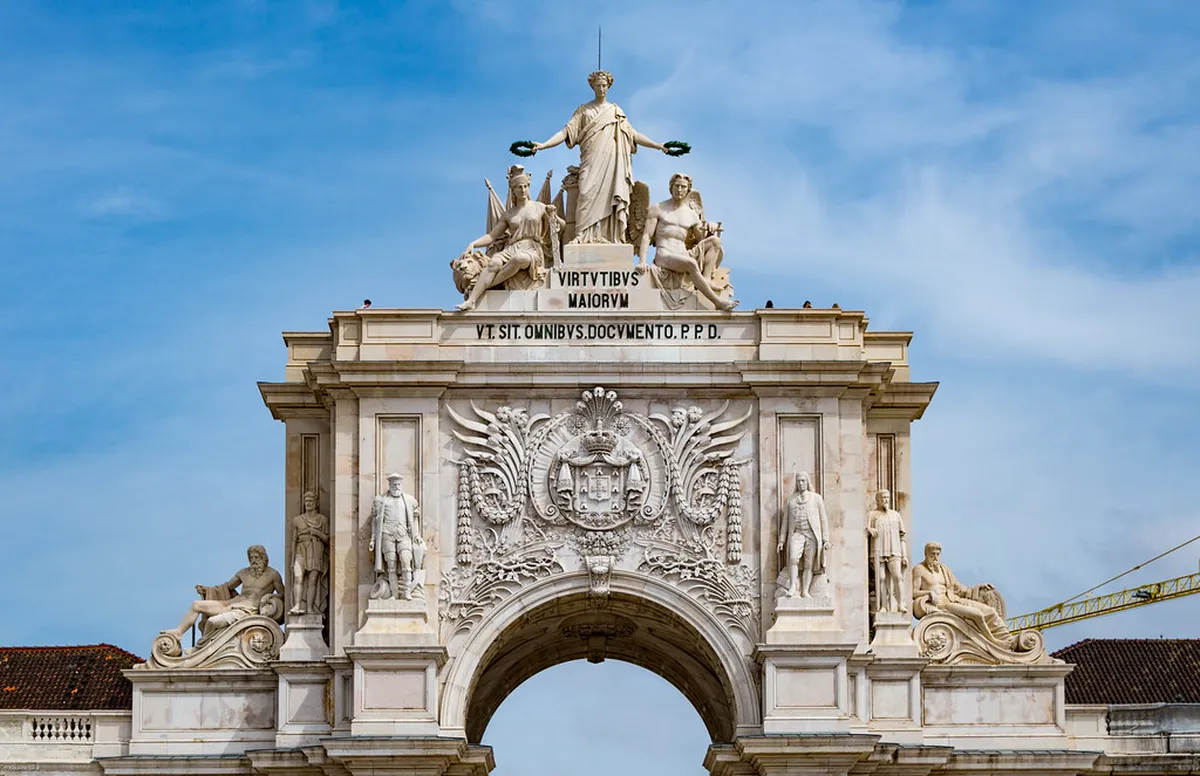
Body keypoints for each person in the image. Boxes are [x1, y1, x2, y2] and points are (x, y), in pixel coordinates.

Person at [531, 70, 670, 244]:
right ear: (592, 86)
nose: (602, 89)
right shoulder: (584, 111)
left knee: (612, 195)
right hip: (591, 160)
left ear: (609, 86)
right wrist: (543, 145)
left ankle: (611, 237)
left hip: (612, 162)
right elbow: (566, 132)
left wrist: (657, 145)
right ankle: (582, 235)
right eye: (598, 86)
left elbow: (633, 134)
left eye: (604, 85)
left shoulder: (616, 111)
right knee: (586, 194)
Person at [455, 166, 563, 311]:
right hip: (512, 247)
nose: (523, 190)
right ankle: (472, 300)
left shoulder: (539, 207)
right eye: (519, 187)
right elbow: (492, 236)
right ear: (513, 190)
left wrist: (553, 215)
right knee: (493, 263)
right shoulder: (508, 214)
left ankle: (484, 285)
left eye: (525, 186)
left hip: (532, 248)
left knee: (519, 259)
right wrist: (473, 243)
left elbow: (561, 225)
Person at [637, 173, 736, 310]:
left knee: (715, 241)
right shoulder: (658, 208)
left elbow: (702, 240)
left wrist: (710, 228)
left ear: (688, 189)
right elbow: (647, 236)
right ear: (671, 187)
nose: (679, 190)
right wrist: (642, 261)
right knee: (691, 263)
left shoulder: (691, 214)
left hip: (683, 254)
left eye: (683, 187)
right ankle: (717, 302)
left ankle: (706, 278)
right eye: (677, 186)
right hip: (664, 255)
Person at [166, 545, 284, 638]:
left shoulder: (273, 575)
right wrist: (207, 590)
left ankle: (203, 647)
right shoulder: (243, 573)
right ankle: (178, 632)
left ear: (264, 558)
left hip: (248, 610)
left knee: (212, 622)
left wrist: (268, 596)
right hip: (231, 604)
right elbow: (226, 587)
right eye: (251, 558)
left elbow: (283, 594)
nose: (253, 561)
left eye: (256, 557)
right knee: (196, 605)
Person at [911, 542, 1014, 647]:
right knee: (977, 615)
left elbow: (959, 588)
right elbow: (913, 592)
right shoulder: (919, 569)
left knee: (990, 611)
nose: (935, 557)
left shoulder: (944, 569)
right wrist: (929, 593)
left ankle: (1007, 639)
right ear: (926, 554)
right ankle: (993, 642)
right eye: (933, 554)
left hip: (954, 599)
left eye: (938, 554)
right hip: (941, 605)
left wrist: (978, 588)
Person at [368, 472, 425, 600]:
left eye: (398, 484)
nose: (396, 487)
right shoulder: (381, 500)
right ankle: (394, 593)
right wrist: (373, 539)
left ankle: (406, 591)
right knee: (391, 566)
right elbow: (375, 522)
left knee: (406, 561)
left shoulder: (409, 500)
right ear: (390, 485)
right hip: (387, 534)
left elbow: (415, 520)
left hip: (403, 534)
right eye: (394, 484)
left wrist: (416, 535)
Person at [777, 472, 831, 597]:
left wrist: (825, 539)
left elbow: (823, 520)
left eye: (803, 481)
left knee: (808, 564)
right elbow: (785, 521)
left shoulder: (816, 498)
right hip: (797, 534)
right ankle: (792, 587)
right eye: (799, 481)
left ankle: (805, 590)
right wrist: (781, 540)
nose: (801, 483)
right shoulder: (791, 499)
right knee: (793, 558)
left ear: (807, 482)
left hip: (812, 535)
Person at [867, 489, 908, 613]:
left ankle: (900, 604)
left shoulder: (895, 515)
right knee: (881, 578)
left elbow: (902, 537)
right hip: (878, 550)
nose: (885, 500)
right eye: (883, 498)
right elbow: (866, 528)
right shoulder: (872, 515)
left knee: (897, 576)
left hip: (894, 550)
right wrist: (870, 530)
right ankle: (883, 605)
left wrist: (904, 555)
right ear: (878, 500)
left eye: (887, 498)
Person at [289, 491, 329, 615]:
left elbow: (327, 538)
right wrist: (292, 560)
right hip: (301, 550)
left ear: (316, 503)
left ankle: (310, 607)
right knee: (298, 577)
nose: (308, 503)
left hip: (316, 549)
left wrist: (315, 532)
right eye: (306, 501)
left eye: (311, 501)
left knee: (312, 580)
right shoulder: (297, 520)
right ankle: (297, 605)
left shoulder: (322, 519)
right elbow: (294, 541)